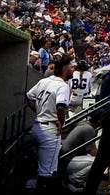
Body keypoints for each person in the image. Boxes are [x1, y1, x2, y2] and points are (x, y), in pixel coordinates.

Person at [27, 56, 76, 192]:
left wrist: (39, 112)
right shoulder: (62, 85)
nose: (73, 69)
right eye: (71, 67)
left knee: (40, 168)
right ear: (65, 68)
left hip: (37, 127)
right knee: (47, 173)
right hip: (49, 131)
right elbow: (61, 106)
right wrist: (60, 123)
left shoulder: (44, 81)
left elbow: (29, 97)